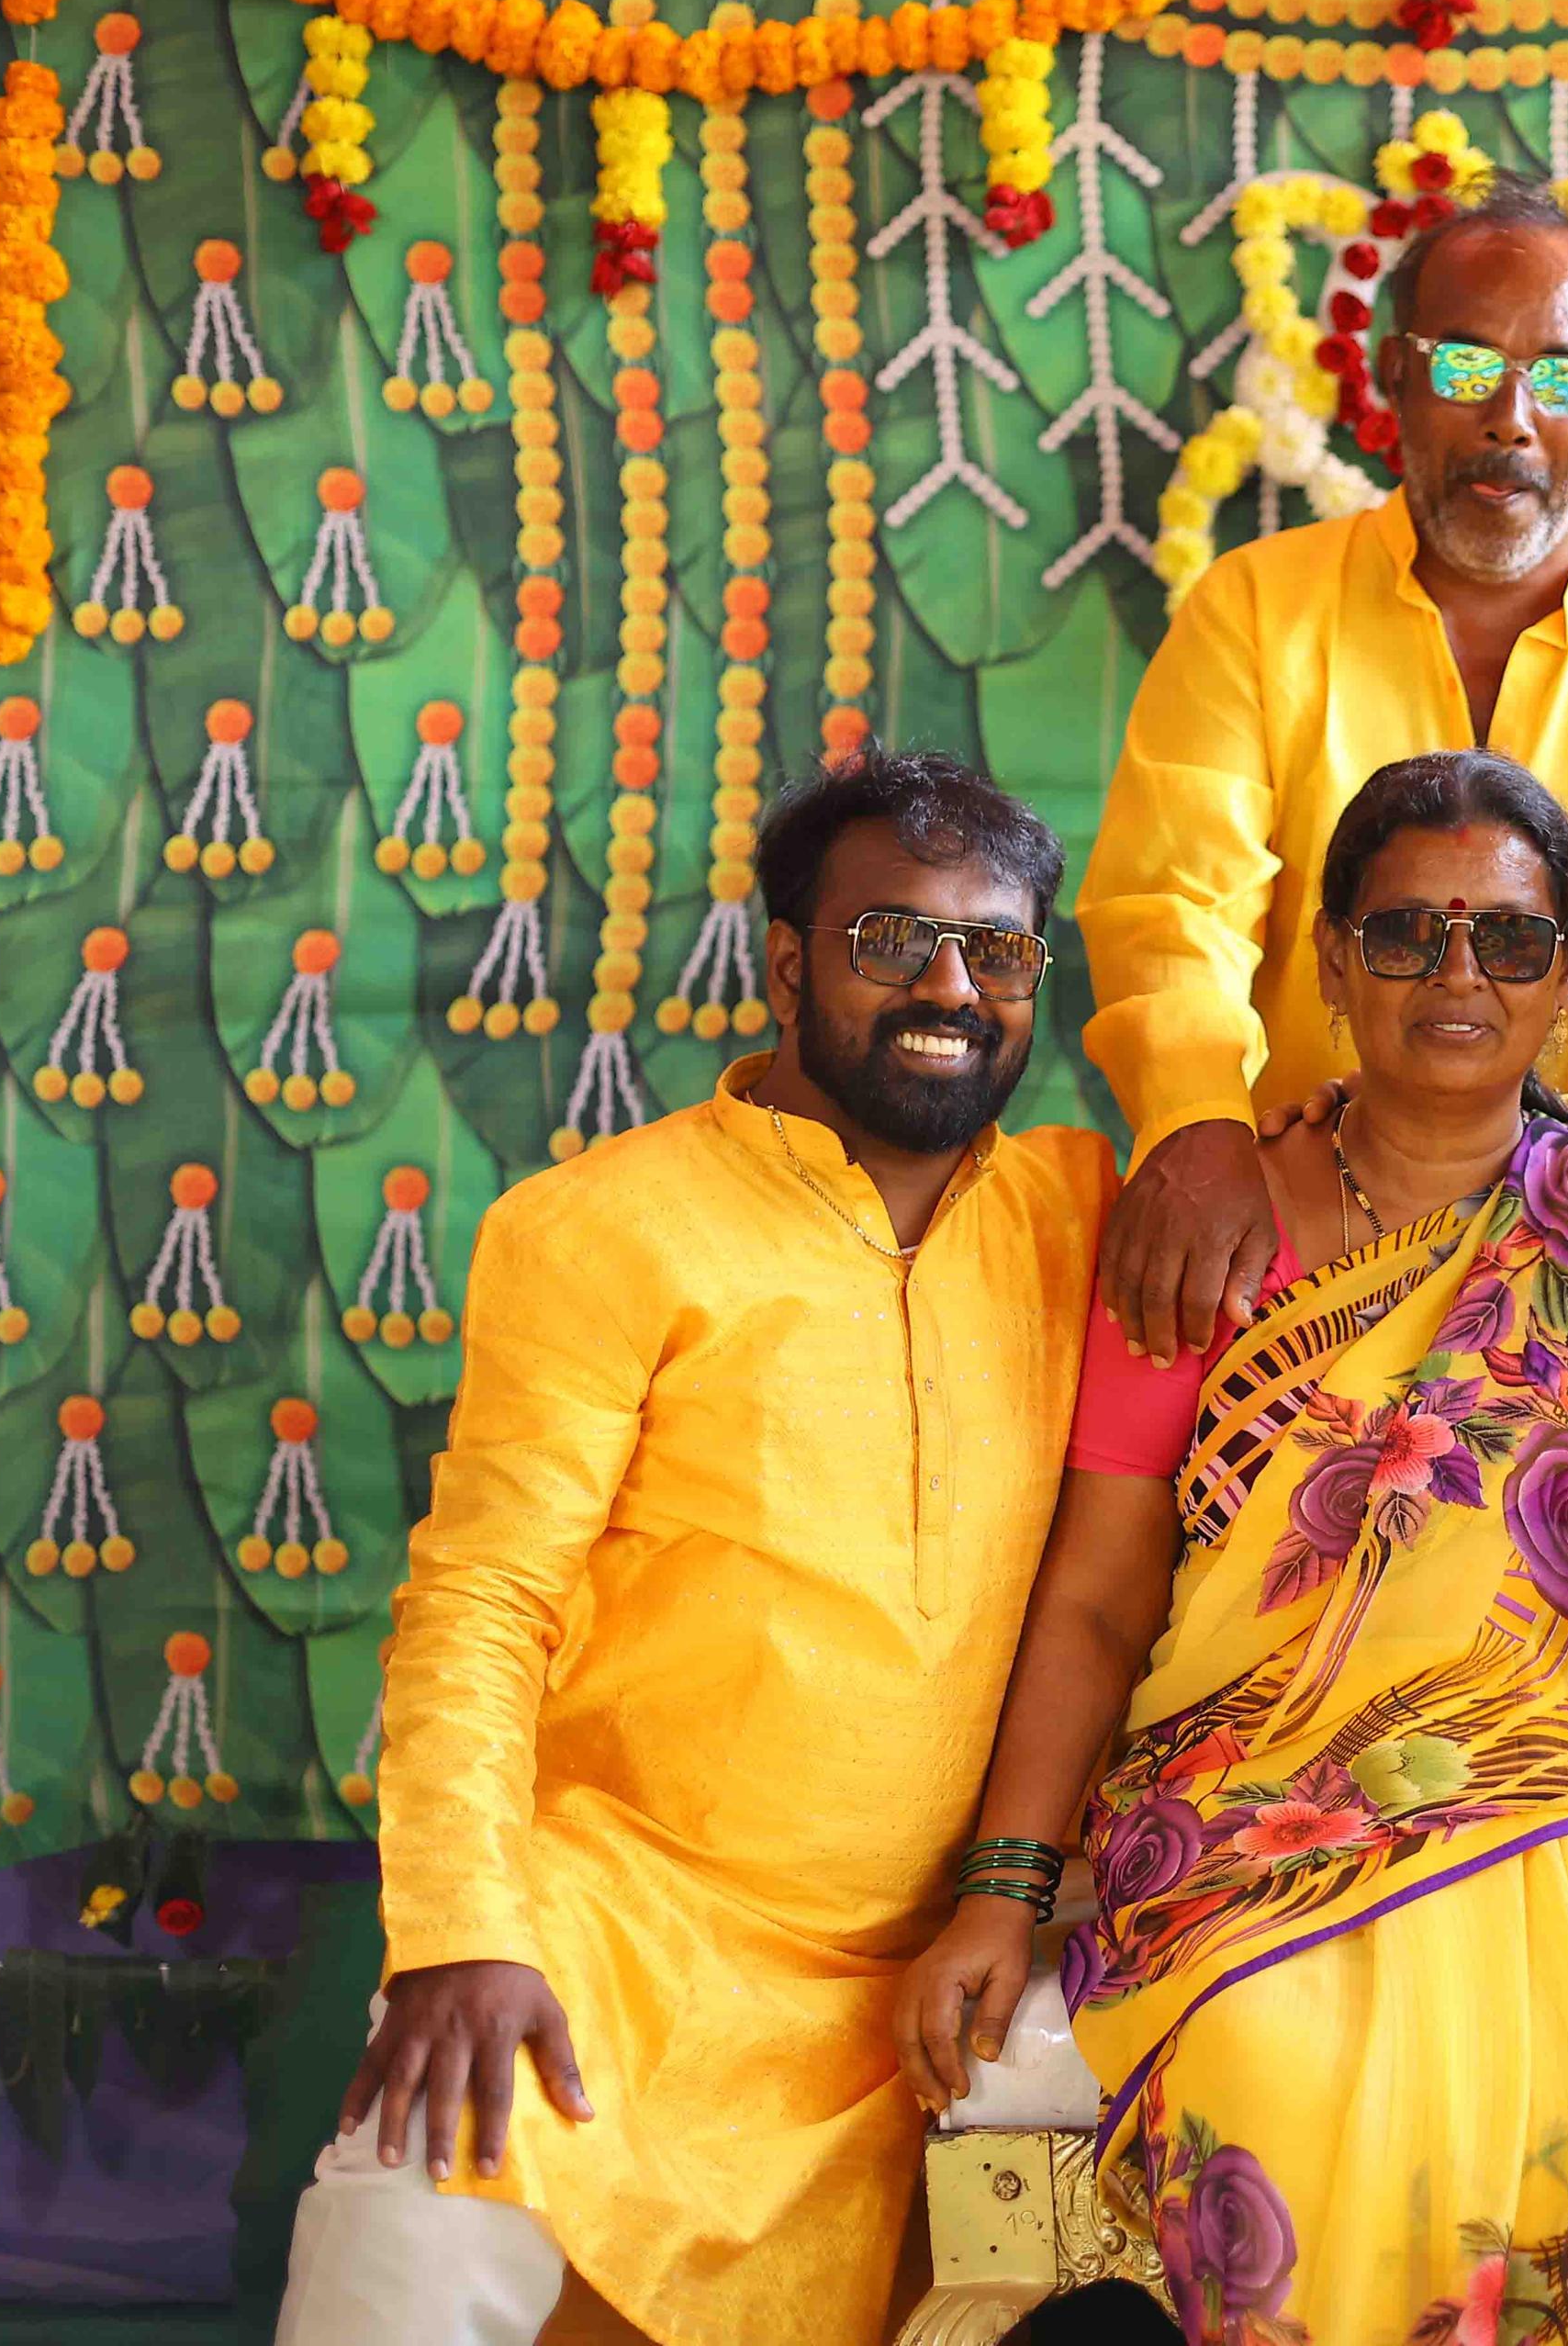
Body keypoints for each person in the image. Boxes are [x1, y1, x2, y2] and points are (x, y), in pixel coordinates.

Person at [898, 751, 1568, 2343]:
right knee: (1294, 2074)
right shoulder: (1209, 1231)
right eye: (1406, 936)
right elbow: (1104, 1595)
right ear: (1330, 962)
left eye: (1510, 941)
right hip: (1267, 1822)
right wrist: (1002, 1887)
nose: (1458, 975)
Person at [272, 750, 1118, 2346]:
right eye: (893, 943)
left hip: (968, 1945)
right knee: (413, 2205)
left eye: (997, 952)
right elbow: (482, 1599)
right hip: (643, 1922)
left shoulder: (1086, 1210)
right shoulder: (605, 1225)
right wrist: (458, 1932)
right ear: (787, 964)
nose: (952, 987)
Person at [1079, 173, 1568, 1376]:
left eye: (1560, 376)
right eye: (1463, 367)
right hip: (1293, 1248)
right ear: (1389, 380)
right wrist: (1196, 1123)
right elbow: (1174, 910)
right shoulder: (1255, 613)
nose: (1511, 420)